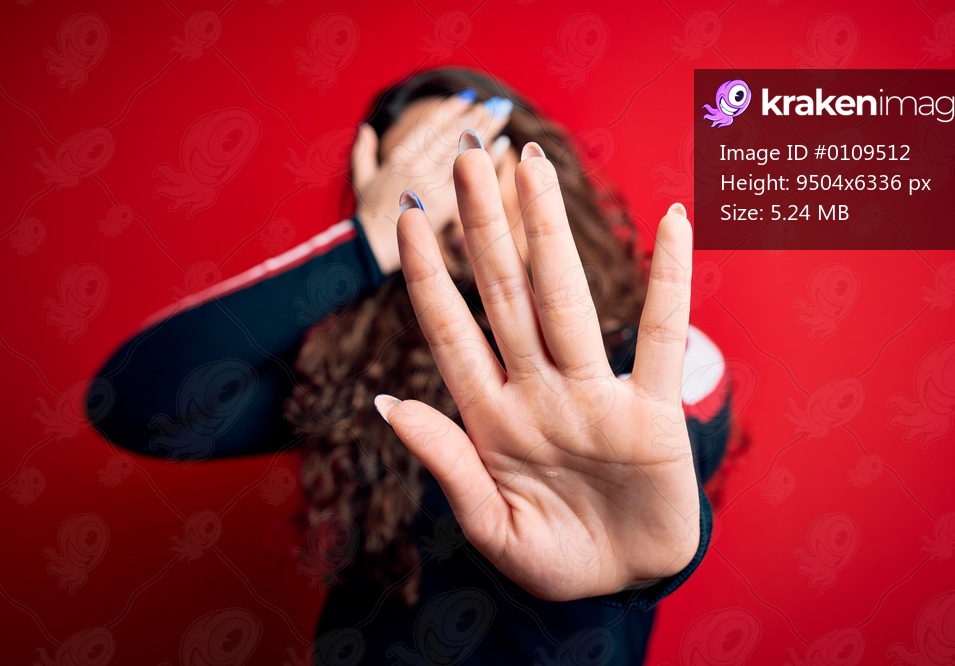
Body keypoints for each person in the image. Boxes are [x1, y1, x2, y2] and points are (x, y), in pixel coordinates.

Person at [86, 67, 734, 665]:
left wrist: (664, 555)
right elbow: (137, 402)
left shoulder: (663, 361)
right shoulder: (363, 376)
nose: (444, 200)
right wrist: (366, 242)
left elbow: (671, 460)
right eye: (410, 177)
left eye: (463, 152)